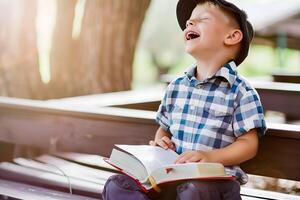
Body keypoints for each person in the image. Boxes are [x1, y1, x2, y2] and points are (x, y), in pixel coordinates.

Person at [102, 0, 267, 199]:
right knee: (117, 185)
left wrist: (210, 157)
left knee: (194, 191)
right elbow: (164, 129)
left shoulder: (241, 91)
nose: (190, 24)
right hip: (171, 179)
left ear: (232, 36)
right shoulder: (177, 86)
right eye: (189, 22)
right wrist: (160, 142)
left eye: (202, 19)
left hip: (214, 183)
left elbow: (249, 144)